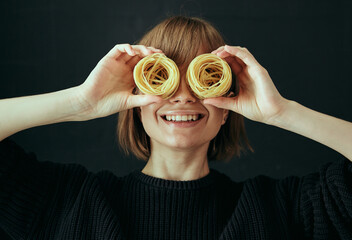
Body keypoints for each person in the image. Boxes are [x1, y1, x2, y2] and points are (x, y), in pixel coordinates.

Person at [0, 16, 351, 240]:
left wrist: (281, 111)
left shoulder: (284, 210)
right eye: (164, 80)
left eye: (202, 80)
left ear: (229, 106)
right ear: (134, 102)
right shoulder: (67, 202)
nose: (183, 97)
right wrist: (80, 102)